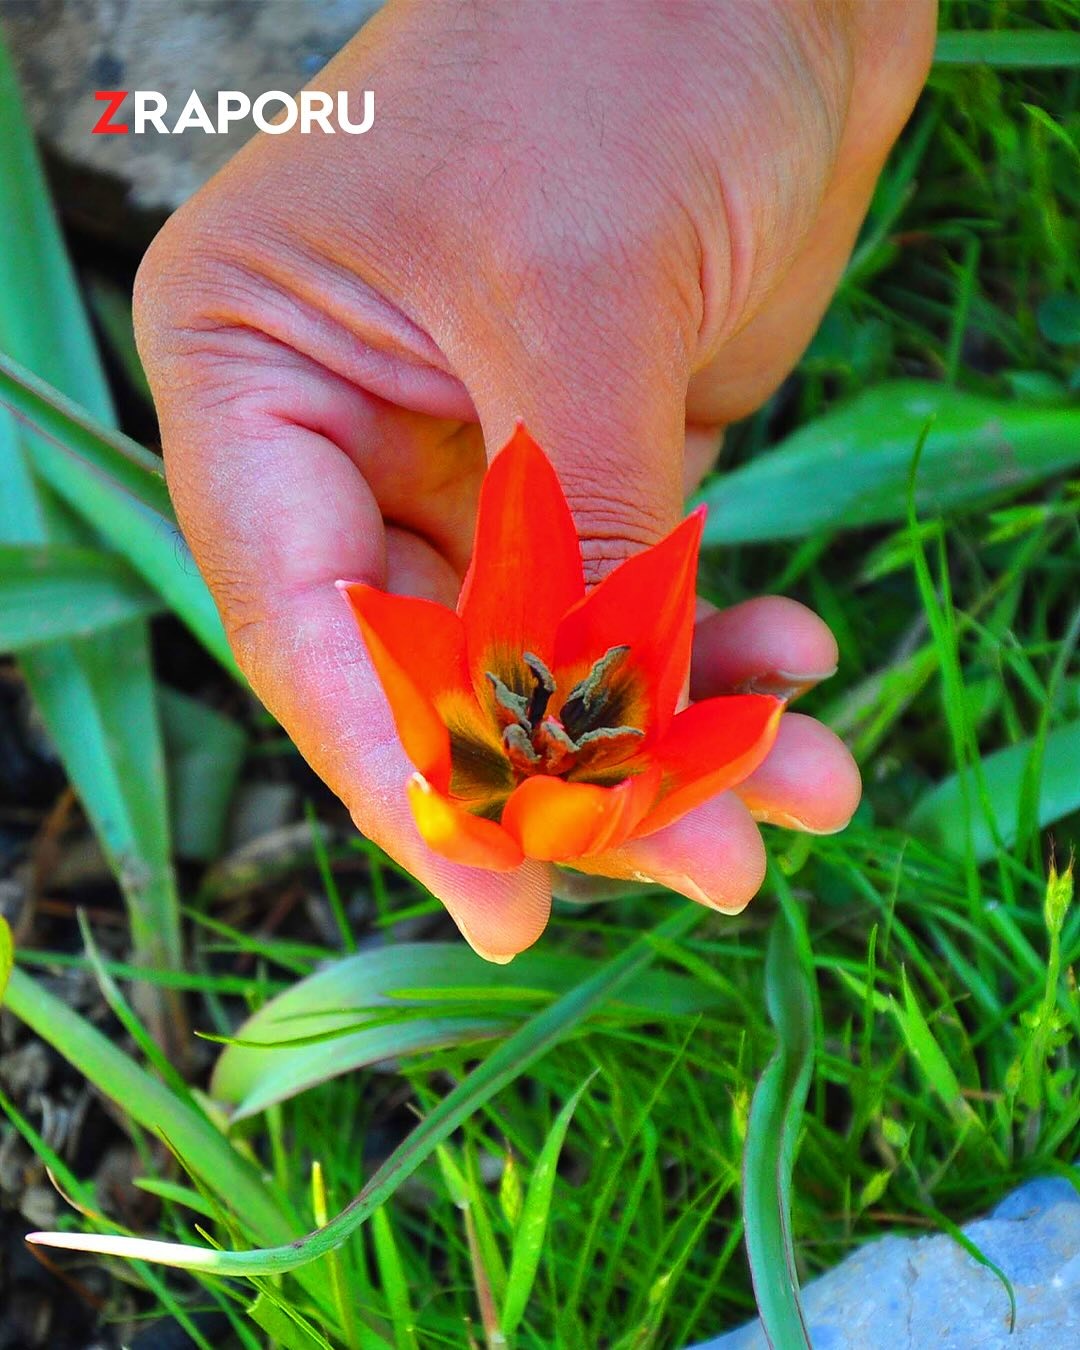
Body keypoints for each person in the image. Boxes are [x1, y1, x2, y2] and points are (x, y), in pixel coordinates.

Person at [133, 0, 936, 961]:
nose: (548, 741)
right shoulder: (484, 769)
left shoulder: (521, 732)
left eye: (544, 744)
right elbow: (436, 755)